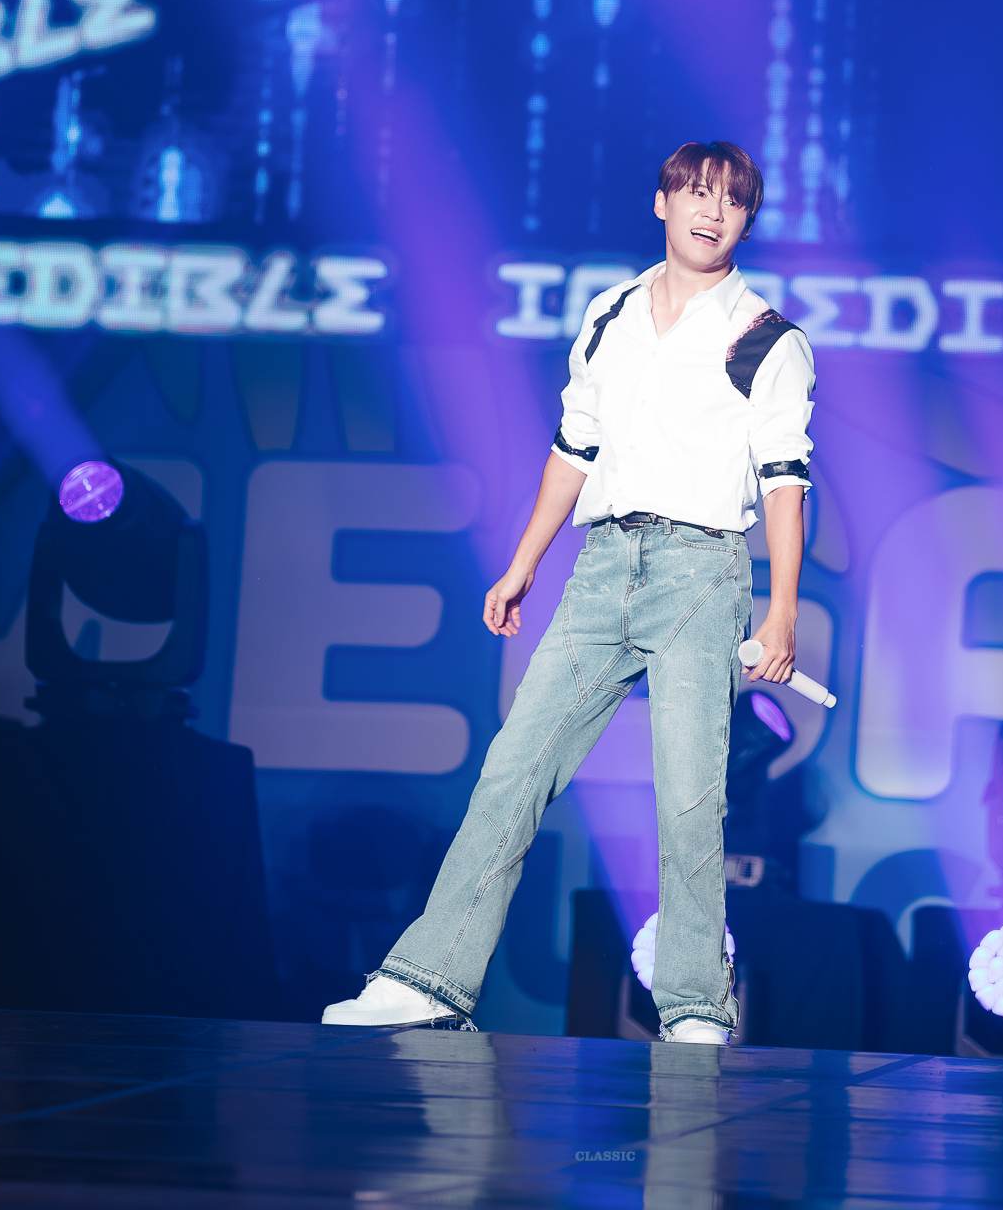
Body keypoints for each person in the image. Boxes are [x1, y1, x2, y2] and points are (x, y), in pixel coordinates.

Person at [322, 139, 816, 1043]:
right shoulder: (611, 313)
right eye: (695, 192)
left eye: (731, 200)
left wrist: (781, 609)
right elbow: (573, 447)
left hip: (700, 571)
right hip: (602, 565)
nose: (711, 211)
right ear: (661, 202)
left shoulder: (765, 338)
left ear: (747, 220)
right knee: (513, 769)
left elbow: (785, 480)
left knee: (689, 799)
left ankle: (695, 1005)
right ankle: (429, 977)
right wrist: (523, 564)